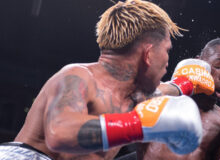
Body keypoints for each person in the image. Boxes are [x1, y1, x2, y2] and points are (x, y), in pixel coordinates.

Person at [0, 0, 207, 159]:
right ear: (149, 54)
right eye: (167, 51)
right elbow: (60, 133)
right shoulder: (77, 77)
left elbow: (165, 90)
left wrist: (186, 84)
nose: (167, 61)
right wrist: (136, 125)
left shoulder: (137, 96)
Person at [137, 38, 220, 160]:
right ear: (199, 63)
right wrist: (180, 85)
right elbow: (126, 102)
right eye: (218, 66)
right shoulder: (162, 95)